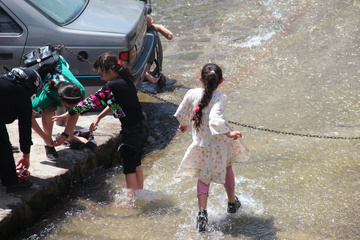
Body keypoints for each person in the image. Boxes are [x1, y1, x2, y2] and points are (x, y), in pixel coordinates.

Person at [52, 52, 149, 206]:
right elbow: (114, 103)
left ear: (110, 71)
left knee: (129, 167)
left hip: (132, 131)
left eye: (100, 73)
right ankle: (139, 194)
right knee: (136, 162)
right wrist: (99, 117)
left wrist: (68, 113)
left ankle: (131, 203)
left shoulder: (113, 85)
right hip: (141, 127)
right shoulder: (124, 81)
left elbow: (91, 101)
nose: (99, 76)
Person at [174, 63, 252, 232]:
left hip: (201, 144)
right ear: (221, 80)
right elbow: (215, 120)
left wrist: (185, 124)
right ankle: (232, 203)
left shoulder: (192, 93)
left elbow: (181, 113)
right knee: (227, 167)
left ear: (200, 78)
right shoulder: (220, 97)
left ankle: (202, 213)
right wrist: (228, 134)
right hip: (218, 144)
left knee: (203, 177)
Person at [31, 55, 86, 160]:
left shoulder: (80, 91)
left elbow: (75, 110)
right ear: (59, 99)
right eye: (66, 106)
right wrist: (45, 137)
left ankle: (70, 136)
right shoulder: (46, 96)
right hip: (43, 70)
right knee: (48, 109)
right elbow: (28, 116)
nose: (70, 109)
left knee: (73, 110)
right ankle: (48, 145)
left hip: (59, 63)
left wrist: (65, 135)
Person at [0, 67, 43, 193]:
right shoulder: (22, 92)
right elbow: (24, 127)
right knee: (4, 146)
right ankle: (12, 182)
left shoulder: (4, 79)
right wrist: (25, 155)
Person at [141, 0, 174, 84]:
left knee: (151, 35)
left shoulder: (144, 4)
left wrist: (160, 28)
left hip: (139, 23)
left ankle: (146, 71)